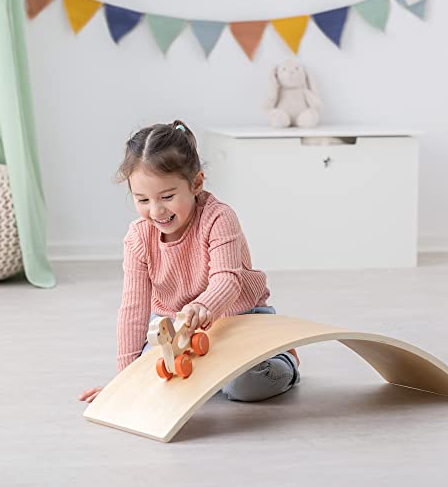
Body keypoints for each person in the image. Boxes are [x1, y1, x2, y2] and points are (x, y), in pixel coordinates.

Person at [79, 120, 300, 404]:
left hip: (238, 323)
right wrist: (125, 382)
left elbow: (227, 280)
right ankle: (208, 374)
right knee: (150, 375)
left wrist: (203, 306)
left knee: (243, 385)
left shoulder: (219, 218)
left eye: (167, 197)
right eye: (142, 199)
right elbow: (133, 309)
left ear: (196, 183)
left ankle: (283, 363)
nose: (156, 210)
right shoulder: (138, 237)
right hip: (177, 331)